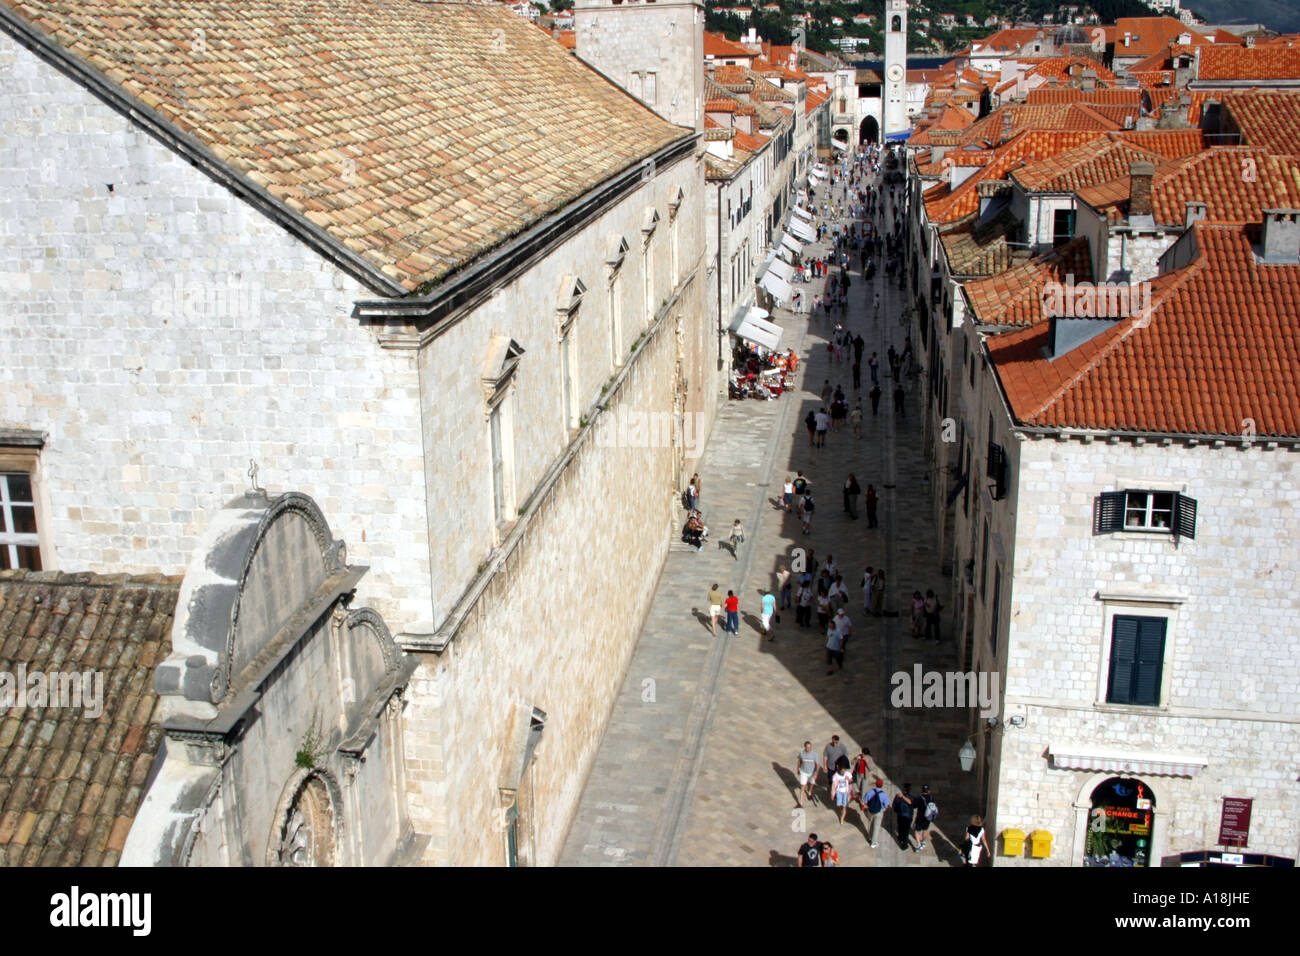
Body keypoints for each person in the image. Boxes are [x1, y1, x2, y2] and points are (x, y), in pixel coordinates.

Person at [862, 777, 889, 848]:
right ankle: (873, 843)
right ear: (882, 785)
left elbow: (864, 802)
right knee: (876, 827)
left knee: (870, 824)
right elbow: (886, 806)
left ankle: (870, 837)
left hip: (870, 811)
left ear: (875, 784)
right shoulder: (884, 795)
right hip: (879, 812)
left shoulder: (870, 792)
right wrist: (882, 810)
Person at [913, 785, 936, 852]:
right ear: (928, 791)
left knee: (917, 831)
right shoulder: (931, 797)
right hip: (928, 817)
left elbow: (914, 805)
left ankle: (919, 844)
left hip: (920, 817)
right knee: (925, 830)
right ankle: (923, 841)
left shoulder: (920, 798)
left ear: (922, 790)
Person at [795, 742, 819, 806]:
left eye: (810, 747)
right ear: (805, 747)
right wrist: (798, 769)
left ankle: (810, 792)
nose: (809, 748)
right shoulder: (801, 754)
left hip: (812, 772)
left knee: (812, 783)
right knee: (803, 786)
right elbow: (799, 761)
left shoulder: (815, 754)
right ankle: (800, 802)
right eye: (807, 747)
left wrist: (816, 773)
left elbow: (818, 765)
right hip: (803, 772)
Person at [892, 785, 916, 851]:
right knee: (906, 831)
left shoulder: (898, 796)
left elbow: (894, 805)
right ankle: (904, 845)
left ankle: (900, 837)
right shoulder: (911, 797)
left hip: (900, 815)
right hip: (908, 816)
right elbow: (913, 804)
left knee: (900, 827)